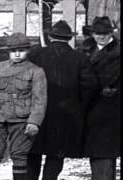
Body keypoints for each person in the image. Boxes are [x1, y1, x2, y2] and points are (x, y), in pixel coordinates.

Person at [26, 20, 98, 180]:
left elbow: (24, 82)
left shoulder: (35, 55)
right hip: (66, 114)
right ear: (68, 38)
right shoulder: (80, 58)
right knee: (56, 154)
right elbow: (90, 86)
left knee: (32, 153)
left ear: (50, 37)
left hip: (36, 113)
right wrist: (79, 106)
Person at [0, 32, 47, 180]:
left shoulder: (36, 71)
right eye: (13, 50)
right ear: (8, 51)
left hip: (21, 121)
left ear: (27, 51)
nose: (17, 54)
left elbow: (39, 99)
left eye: (21, 50)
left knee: (19, 155)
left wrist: (34, 122)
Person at [84, 16, 120, 180]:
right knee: (99, 153)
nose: (101, 36)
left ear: (111, 33)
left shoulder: (118, 52)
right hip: (90, 108)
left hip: (111, 109)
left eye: (104, 33)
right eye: (97, 33)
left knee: (104, 152)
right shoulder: (86, 50)